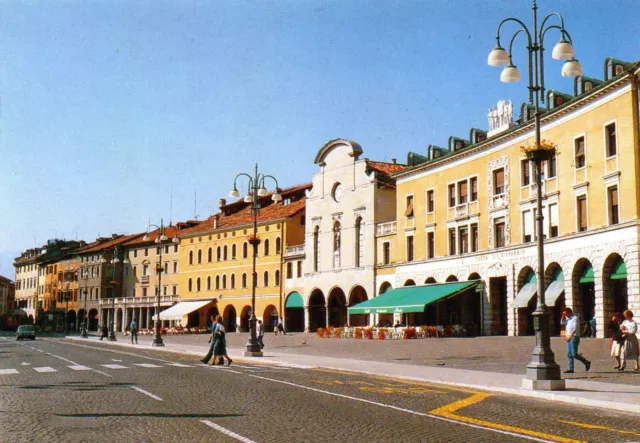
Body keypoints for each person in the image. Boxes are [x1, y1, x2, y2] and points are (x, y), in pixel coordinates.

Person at [561, 307, 591, 374]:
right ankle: (570, 369)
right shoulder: (568, 319)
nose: (565, 315)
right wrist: (563, 315)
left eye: (566, 314)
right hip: (569, 337)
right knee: (569, 354)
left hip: (574, 337)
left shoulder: (575, 318)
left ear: (569, 312)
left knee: (574, 354)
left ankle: (586, 362)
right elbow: (562, 322)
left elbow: (575, 329)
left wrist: (570, 337)